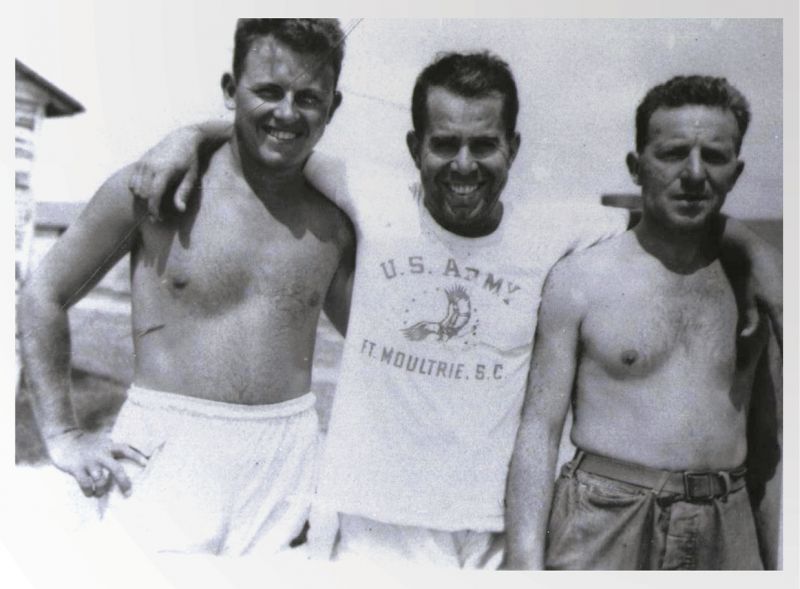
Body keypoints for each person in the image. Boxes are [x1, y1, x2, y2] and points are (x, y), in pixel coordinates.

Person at [132, 55, 781, 568]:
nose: (464, 164)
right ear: (415, 145)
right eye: (445, 144)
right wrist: (188, 132)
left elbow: (673, 208)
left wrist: (749, 244)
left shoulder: (557, 231)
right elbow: (278, 132)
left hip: (492, 534)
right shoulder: (371, 193)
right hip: (372, 524)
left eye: (484, 144)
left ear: (513, 147)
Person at [19, 18, 355, 556]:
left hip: (286, 462)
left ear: (332, 108)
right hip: (166, 451)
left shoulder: (337, 221)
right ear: (230, 91)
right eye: (268, 91)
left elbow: (375, 345)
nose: (287, 112)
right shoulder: (156, 188)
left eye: (308, 98)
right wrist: (61, 433)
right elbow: (43, 294)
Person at [503, 75, 782, 570]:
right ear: (637, 167)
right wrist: (524, 561)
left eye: (714, 157)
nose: (694, 174)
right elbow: (538, 432)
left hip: (726, 519)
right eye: (673, 153)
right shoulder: (581, 279)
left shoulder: (756, 286)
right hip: (605, 521)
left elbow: (771, 446)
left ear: (736, 173)